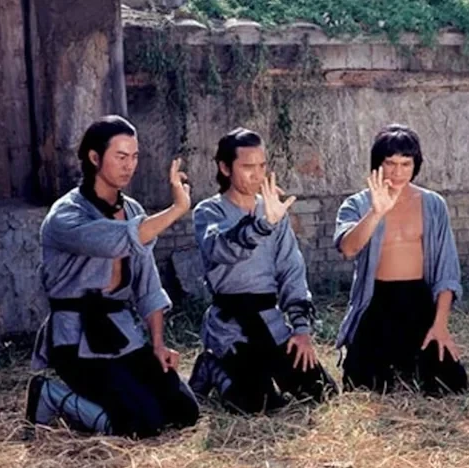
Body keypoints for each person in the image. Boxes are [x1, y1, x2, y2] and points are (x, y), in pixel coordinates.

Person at [25, 115, 199, 438]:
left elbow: (148, 285)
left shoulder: (133, 211)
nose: (129, 165)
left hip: (121, 335)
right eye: (120, 156)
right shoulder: (66, 215)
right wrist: (177, 209)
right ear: (94, 157)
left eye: (134, 156)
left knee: (184, 410)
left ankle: (116, 397)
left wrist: (158, 344)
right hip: (76, 340)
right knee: (139, 424)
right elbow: (116, 240)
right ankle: (49, 393)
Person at [187, 128, 337, 413]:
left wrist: (301, 331)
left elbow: (291, 270)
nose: (257, 175)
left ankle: (264, 368)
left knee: (320, 391)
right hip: (232, 326)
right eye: (247, 167)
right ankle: (212, 364)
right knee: (258, 404)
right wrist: (262, 224)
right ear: (225, 168)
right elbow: (221, 249)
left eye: (262, 166)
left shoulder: (273, 212)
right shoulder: (209, 211)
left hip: (271, 322)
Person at [334, 124, 467, 395]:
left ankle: (412, 359)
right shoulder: (357, 204)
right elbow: (348, 248)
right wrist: (376, 213)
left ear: (415, 165)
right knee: (363, 384)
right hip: (376, 299)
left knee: (450, 383)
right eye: (390, 163)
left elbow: (447, 271)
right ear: (378, 164)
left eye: (405, 164)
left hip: (417, 298)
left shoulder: (433, 203)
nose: (397, 172)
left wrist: (440, 325)